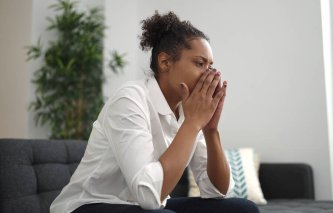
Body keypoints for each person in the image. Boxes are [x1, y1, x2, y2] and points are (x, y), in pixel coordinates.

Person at [50, 11, 260, 213]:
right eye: (200, 63)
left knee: (242, 209)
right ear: (165, 62)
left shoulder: (188, 111)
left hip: (145, 206)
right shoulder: (130, 99)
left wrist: (210, 130)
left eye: (210, 65)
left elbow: (217, 191)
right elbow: (148, 196)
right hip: (90, 205)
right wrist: (193, 124)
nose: (209, 74)